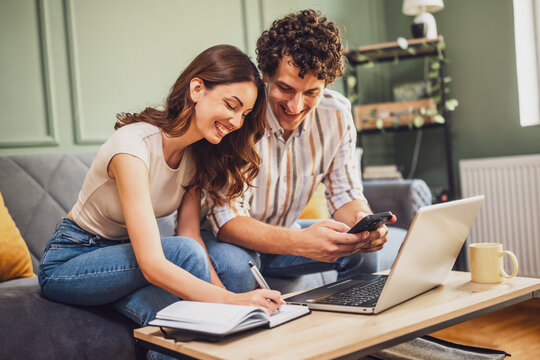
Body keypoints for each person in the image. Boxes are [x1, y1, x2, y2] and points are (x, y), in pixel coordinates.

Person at [38, 45, 284, 341]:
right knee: (183, 253)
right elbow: (154, 262)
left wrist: (227, 297)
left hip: (122, 263)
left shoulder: (197, 158)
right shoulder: (132, 146)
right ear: (197, 88)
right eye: (231, 105)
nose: (236, 122)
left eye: (244, 114)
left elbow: (191, 233)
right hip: (69, 262)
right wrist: (232, 301)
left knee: (171, 323)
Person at [203, 10, 397, 292]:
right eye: (285, 88)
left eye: (311, 93)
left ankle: (352, 332)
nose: (295, 106)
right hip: (229, 242)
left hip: (285, 233)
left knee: (361, 253)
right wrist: (302, 243)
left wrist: (362, 225)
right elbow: (227, 222)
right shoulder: (238, 117)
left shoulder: (336, 115)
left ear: (326, 85)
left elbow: (345, 195)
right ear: (266, 74)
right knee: (235, 269)